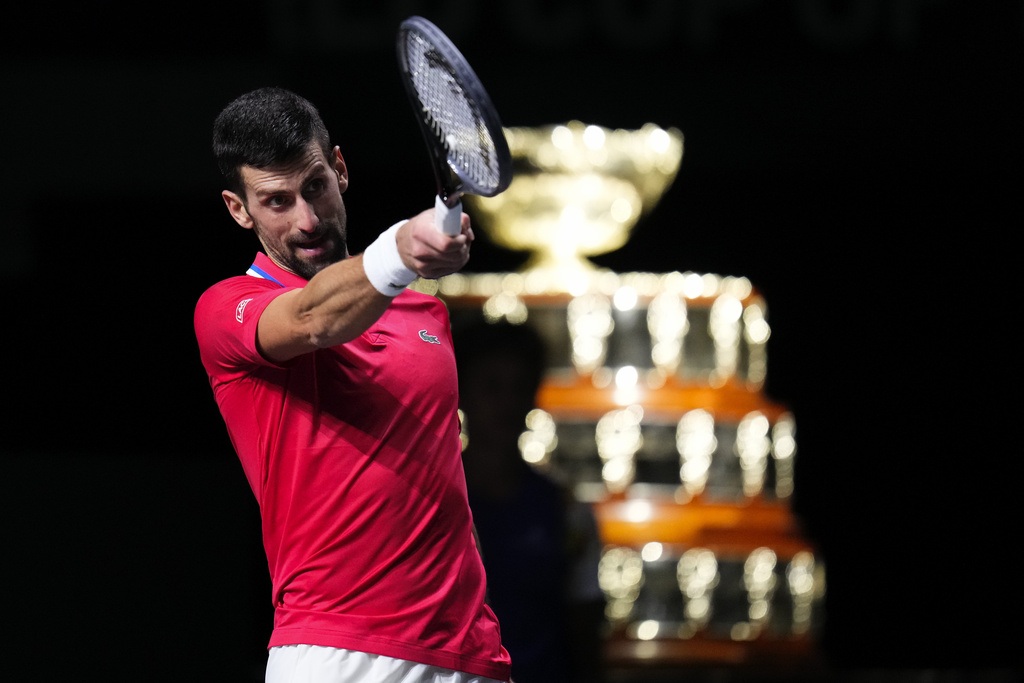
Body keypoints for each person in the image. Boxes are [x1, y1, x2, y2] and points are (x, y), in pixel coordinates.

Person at [194, 86, 511, 683]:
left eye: (314, 186)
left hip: (468, 655)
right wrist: (400, 249)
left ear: (340, 169)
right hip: (338, 653)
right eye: (277, 201)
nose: (307, 219)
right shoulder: (227, 310)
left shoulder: (427, 318)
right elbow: (313, 319)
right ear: (240, 210)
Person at [454, 318, 607, 683]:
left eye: (518, 387)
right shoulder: (431, 503)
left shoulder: (565, 510)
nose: (507, 403)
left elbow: (584, 622)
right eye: (492, 387)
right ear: (461, 392)